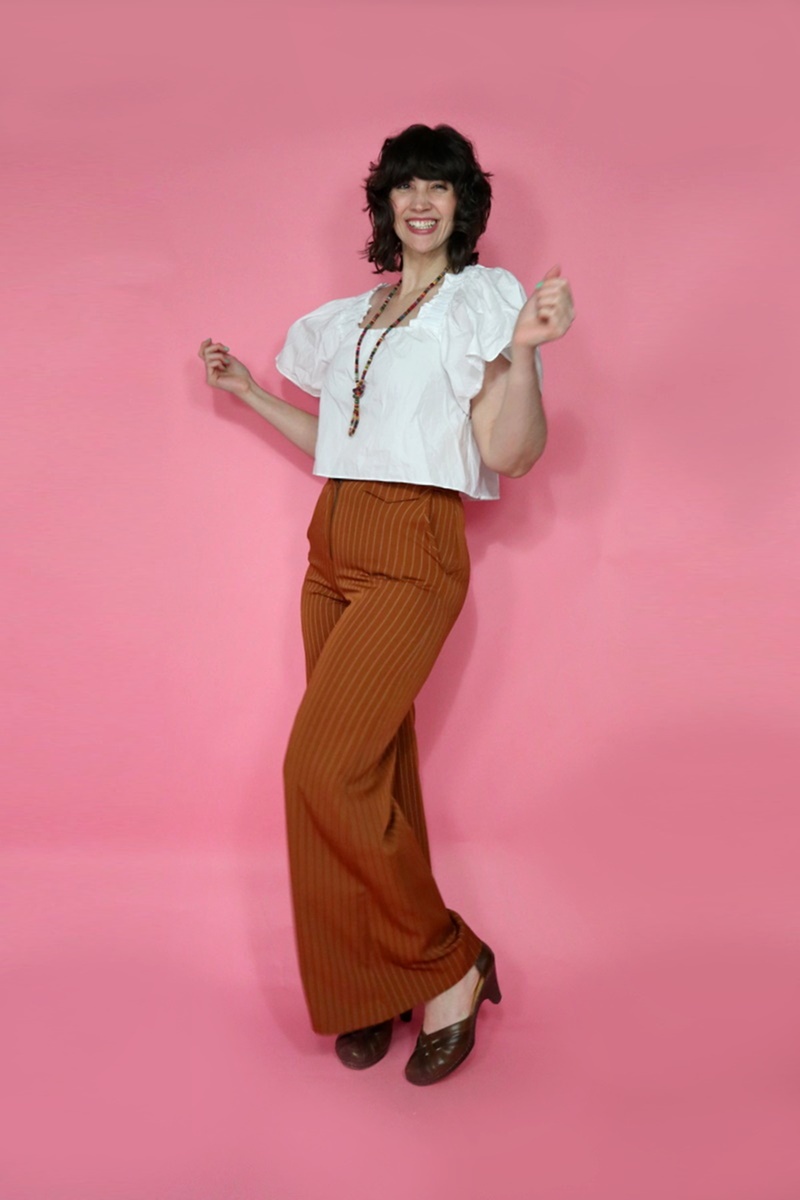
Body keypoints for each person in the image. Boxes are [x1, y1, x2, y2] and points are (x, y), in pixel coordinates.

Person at [198, 123, 575, 1086]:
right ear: (386, 204)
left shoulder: (481, 303)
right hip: (333, 543)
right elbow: (339, 441)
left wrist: (525, 354)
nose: (421, 200)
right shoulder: (352, 318)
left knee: (318, 769)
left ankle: (447, 963)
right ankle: (369, 981)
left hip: (413, 546)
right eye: (406, 185)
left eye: (438, 186)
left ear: (462, 205)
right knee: (369, 774)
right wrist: (250, 395)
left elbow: (510, 452)